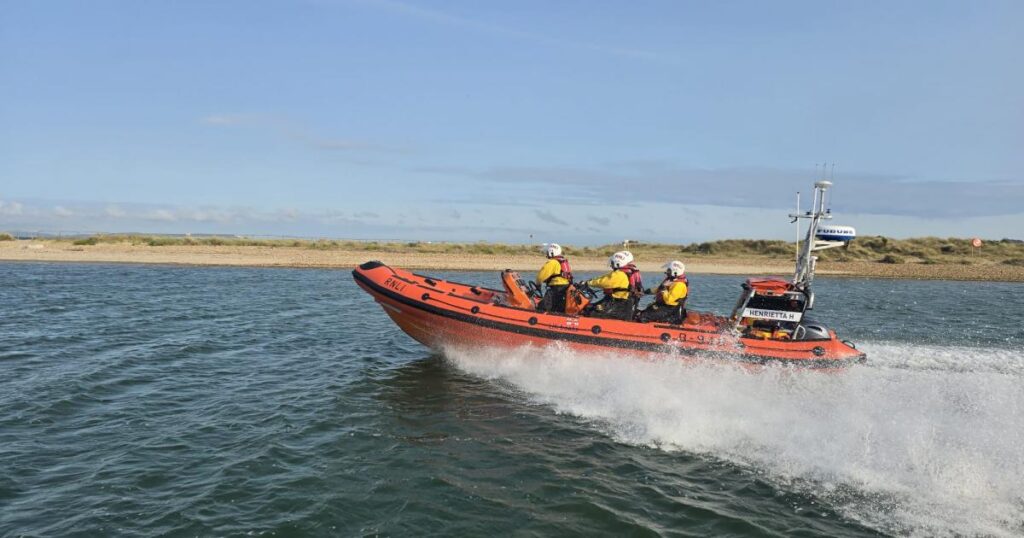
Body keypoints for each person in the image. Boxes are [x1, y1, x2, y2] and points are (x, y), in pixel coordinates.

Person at [580, 251, 641, 320]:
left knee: (591, 312)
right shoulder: (627, 272)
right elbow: (605, 277)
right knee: (590, 307)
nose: (611, 264)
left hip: (618, 304)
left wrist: (589, 283)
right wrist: (590, 281)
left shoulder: (619, 274)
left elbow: (604, 282)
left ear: (618, 263)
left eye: (612, 262)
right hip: (623, 304)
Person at [535, 243, 573, 313]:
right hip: (565, 287)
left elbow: (541, 276)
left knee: (543, 306)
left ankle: (541, 318)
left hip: (556, 288)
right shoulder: (563, 261)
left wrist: (538, 284)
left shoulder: (552, 262)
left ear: (551, 252)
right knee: (558, 307)